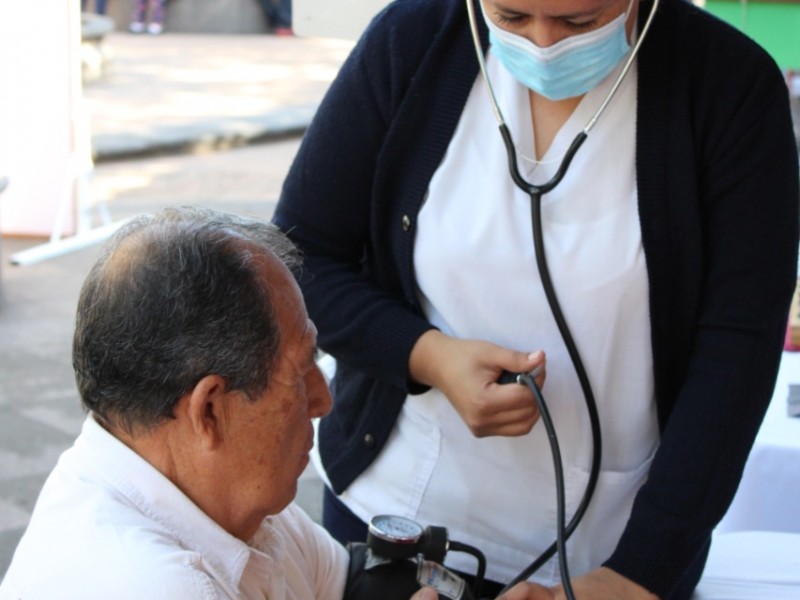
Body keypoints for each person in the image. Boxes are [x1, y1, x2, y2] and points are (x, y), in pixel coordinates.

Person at [272, 0, 800, 598]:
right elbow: (296, 260)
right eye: (513, 16)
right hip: (396, 517)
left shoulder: (730, 86)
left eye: (580, 22)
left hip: (612, 552)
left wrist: (636, 576)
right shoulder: (413, 41)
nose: (545, 45)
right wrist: (428, 356)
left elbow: (737, 352)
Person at [0, 206, 440, 600]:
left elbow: (345, 584)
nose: (323, 400)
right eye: (300, 373)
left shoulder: (227, 495)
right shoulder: (153, 583)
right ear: (209, 410)